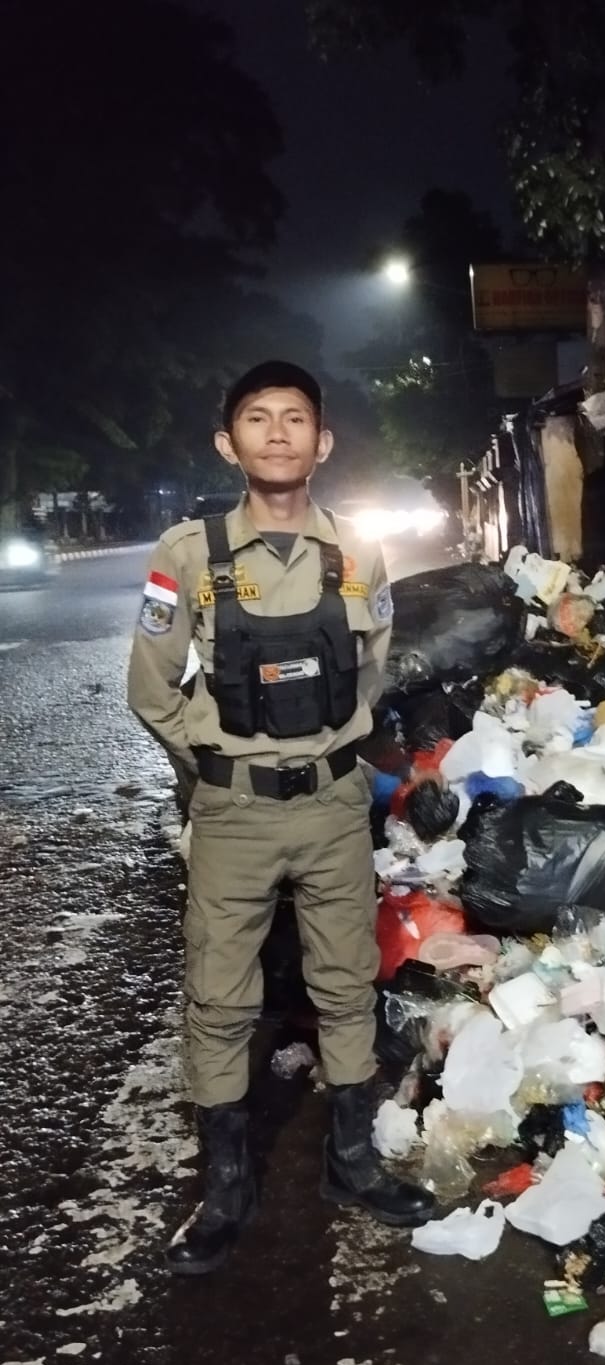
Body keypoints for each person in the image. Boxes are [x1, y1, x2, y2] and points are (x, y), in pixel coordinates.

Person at [127, 360, 434, 1276]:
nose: (276, 433)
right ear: (229, 443)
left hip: (337, 807)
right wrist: (216, 767)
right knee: (221, 999)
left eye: (294, 418)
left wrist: (335, 752)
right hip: (235, 816)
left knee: (346, 985)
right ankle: (224, 1188)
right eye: (256, 419)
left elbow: (372, 667)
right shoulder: (188, 556)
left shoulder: (358, 554)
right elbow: (151, 689)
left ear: (322, 442)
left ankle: (352, 1161)